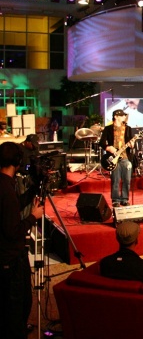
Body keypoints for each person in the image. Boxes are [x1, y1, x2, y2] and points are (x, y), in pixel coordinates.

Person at [0, 141, 44, 339]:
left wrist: (32, 192)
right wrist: (33, 217)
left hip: (6, 258)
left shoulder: (4, 185)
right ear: (17, 162)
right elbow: (13, 231)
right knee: (19, 305)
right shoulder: (6, 190)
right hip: (11, 260)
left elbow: (11, 209)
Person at [99, 109, 135, 207]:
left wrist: (132, 145)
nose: (124, 117)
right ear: (116, 116)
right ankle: (115, 200)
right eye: (122, 115)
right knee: (115, 179)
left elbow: (131, 143)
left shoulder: (128, 128)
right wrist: (108, 148)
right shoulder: (108, 129)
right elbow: (101, 143)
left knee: (127, 179)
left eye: (124, 115)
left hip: (125, 157)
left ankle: (124, 199)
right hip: (113, 157)